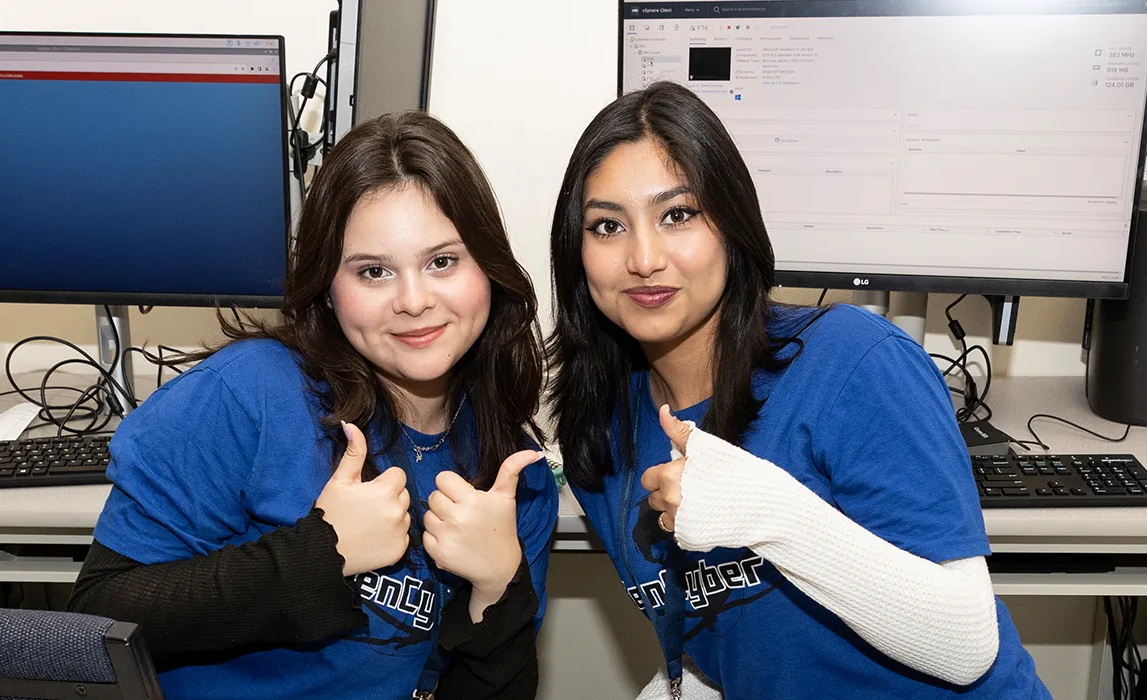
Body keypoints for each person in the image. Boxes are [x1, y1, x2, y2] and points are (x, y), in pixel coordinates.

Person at [547, 81, 1050, 699]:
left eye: (677, 214)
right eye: (607, 226)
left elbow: (966, 645)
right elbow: (724, 649)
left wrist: (766, 512)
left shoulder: (854, 361)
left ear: (731, 224)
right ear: (578, 252)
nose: (644, 257)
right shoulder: (604, 432)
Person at [68, 111, 558, 700]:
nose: (413, 300)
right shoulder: (251, 394)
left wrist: (500, 592)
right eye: (373, 271)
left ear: (490, 268)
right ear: (328, 288)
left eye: (442, 262)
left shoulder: (512, 473)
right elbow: (96, 617)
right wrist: (317, 557)